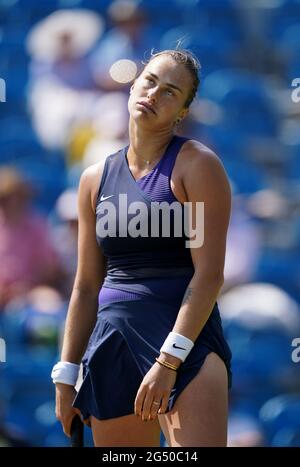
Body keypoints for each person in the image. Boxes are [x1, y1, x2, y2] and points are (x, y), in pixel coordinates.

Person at [52, 49, 232, 447]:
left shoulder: (197, 165)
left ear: (183, 112)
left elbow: (210, 275)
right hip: (112, 341)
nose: (153, 94)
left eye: (170, 92)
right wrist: (66, 372)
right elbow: (84, 286)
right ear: (134, 85)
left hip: (186, 342)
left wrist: (169, 361)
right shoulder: (93, 179)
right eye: (149, 81)